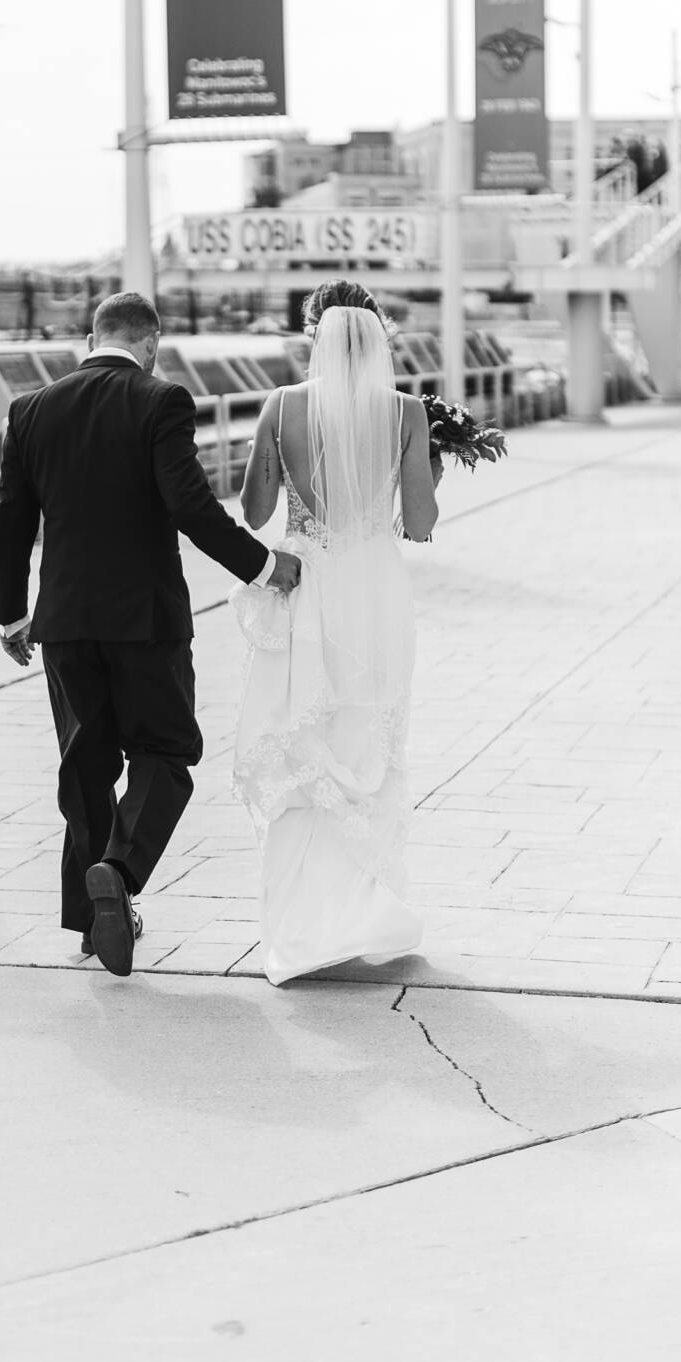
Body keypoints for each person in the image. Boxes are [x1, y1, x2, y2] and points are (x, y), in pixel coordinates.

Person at [0, 291, 302, 977]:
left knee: (85, 764)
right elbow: (188, 503)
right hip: (144, 620)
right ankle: (119, 874)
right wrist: (261, 564)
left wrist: (10, 613)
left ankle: (87, 920)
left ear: (93, 335)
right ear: (150, 341)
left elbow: (10, 518)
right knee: (164, 753)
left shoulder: (30, 409)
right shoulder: (159, 400)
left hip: (64, 621)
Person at [232, 279, 441, 985]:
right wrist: (426, 464)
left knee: (305, 740)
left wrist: (274, 458)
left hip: (310, 589)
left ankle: (300, 920)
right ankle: (363, 908)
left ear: (314, 334)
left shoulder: (283, 406)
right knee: (370, 739)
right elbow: (418, 523)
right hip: (374, 593)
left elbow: (255, 511)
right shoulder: (406, 412)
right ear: (379, 337)